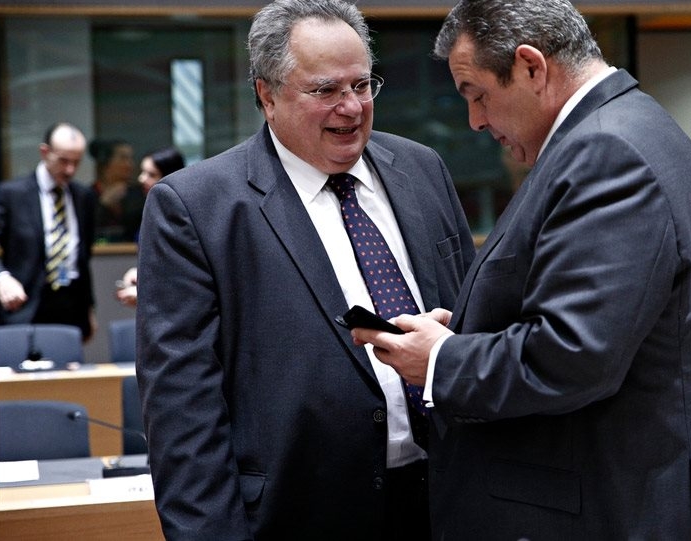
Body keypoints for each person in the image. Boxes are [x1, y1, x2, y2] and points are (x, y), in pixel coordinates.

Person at [354, 0, 691, 538]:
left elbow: (575, 355)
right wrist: (472, 330)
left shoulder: (605, 152)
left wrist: (441, 360)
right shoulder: (629, 127)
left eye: (477, 94)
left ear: (530, 67)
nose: (475, 121)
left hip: (621, 509)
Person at [135, 1, 475, 539]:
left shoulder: (421, 168)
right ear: (267, 95)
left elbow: (475, 321)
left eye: (361, 85)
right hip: (298, 514)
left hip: (448, 503)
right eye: (325, 90)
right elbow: (182, 415)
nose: (352, 107)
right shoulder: (198, 208)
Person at [0, 122, 98, 341]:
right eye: (64, 161)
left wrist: (89, 308)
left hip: (71, 307)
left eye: (76, 162)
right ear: (45, 152)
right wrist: (1, 279)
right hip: (25, 305)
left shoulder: (83, 196)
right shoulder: (12, 194)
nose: (70, 170)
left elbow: (83, 257)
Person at [116, 146, 185, 307]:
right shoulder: (151, 210)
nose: (141, 179)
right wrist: (141, 275)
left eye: (151, 174)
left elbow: (180, 275)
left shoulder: (181, 216)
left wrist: (145, 292)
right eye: (142, 172)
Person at [90, 138, 142, 243]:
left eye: (130, 159)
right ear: (105, 164)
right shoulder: (88, 194)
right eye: (123, 158)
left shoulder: (138, 194)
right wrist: (104, 205)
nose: (130, 165)